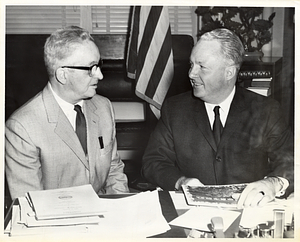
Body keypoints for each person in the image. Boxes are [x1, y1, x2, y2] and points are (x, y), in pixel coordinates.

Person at [142, 28, 294, 208]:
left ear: (229, 73)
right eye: (191, 65)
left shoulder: (266, 110)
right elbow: (153, 162)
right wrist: (180, 182)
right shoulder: (175, 109)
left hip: (249, 211)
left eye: (202, 67)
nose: (191, 74)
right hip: (191, 213)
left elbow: (292, 160)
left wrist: (273, 183)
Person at [5, 26, 129, 200]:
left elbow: (113, 170)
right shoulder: (22, 127)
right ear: (63, 75)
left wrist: (122, 210)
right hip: (56, 222)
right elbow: (30, 206)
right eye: (91, 68)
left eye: (98, 65)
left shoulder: (103, 107)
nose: (100, 75)